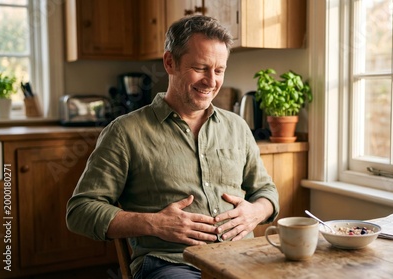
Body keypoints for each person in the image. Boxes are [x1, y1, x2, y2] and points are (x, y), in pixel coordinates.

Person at [66, 15, 279, 279]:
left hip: (243, 258)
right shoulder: (125, 132)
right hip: (171, 265)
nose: (211, 81)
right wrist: (154, 223)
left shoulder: (237, 127)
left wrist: (256, 211)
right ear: (170, 63)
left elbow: (266, 191)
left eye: (219, 70)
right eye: (201, 68)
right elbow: (81, 210)